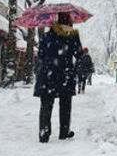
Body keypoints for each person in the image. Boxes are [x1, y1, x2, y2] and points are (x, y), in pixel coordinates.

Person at [34, 13, 83, 143]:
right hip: (65, 74)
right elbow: (79, 54)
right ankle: (64, 132)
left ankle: (44, 133)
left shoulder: (46, 36)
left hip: (47, 74)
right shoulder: (72, 35)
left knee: (46, 104)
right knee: (65, 104)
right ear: (69, 22)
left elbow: (40, 54)